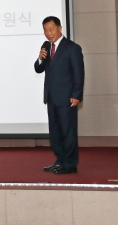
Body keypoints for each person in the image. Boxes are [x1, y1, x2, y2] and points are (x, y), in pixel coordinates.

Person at [34, 16, 84, 174]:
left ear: (60, 28)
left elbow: (79, 74)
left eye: (51, 29)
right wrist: (40, 59)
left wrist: (76, 94)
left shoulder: (72, 48)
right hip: (51, 97)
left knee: (68, 131)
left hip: (67, 98)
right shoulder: (46, 46)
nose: (48, 33)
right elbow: (38, 69)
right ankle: (60, 160)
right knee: (55, 132)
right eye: (45, 30)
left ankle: (70, 164)